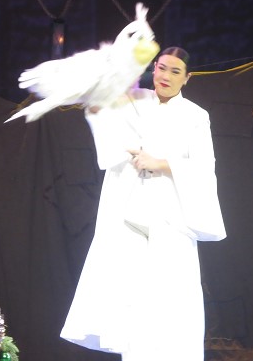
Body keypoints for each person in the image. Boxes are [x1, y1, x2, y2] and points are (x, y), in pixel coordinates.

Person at [60, 46, 226, 361]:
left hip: (171, 216)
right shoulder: (134, 102)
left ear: (187, 78)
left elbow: (204, 169)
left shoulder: (195, 116)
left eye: (175, 71)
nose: (165, 76)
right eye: (161, 68)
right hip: (130, 211)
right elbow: (103, 125)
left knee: (171, 299)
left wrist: (161, 163)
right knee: (130, 299)